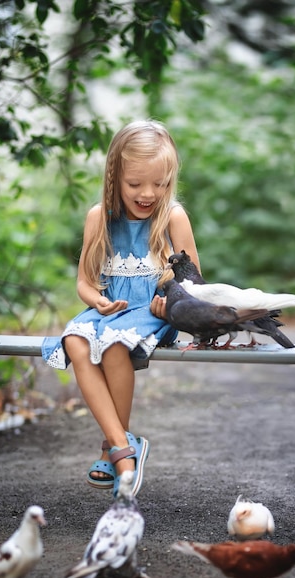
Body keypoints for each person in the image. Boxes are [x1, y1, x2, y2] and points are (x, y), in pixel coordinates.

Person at [41, 120, 200, 497]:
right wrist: (94, 299)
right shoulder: (100, 218)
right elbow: (84, 281)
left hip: (153, 312)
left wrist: (171, 302)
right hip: (110, 309)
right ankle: (122, 442)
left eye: (160, 185)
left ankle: (117, 453)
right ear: (114, 176)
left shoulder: (173, 217)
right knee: (76, 343)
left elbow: (193, 279)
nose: (149, 194)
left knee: (113, 347)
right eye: (136, 185)